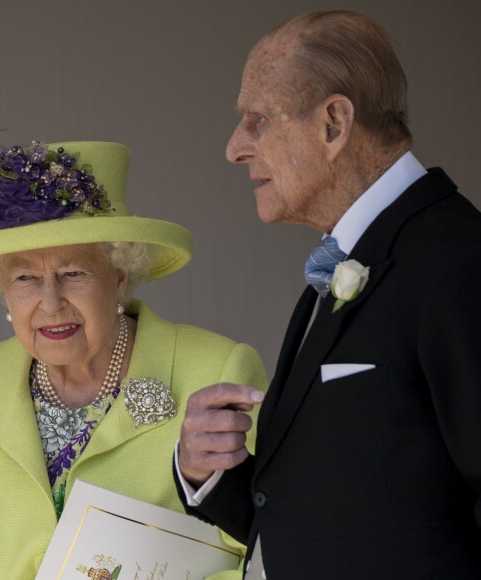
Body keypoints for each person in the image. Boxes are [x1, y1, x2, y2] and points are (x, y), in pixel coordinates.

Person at [176, 10, 481, 579]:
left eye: (258, 119)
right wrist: (206, 469)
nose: (234, 147)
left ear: (335, 124)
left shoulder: (459, 261)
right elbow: (329, 518)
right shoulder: (344, 260)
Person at [0, 139, 267, 579]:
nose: (51, 303)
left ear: (117, 279)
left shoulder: (214, 370)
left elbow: (261, 557)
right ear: (4, 290)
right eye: (25, 278)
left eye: (73, 273)